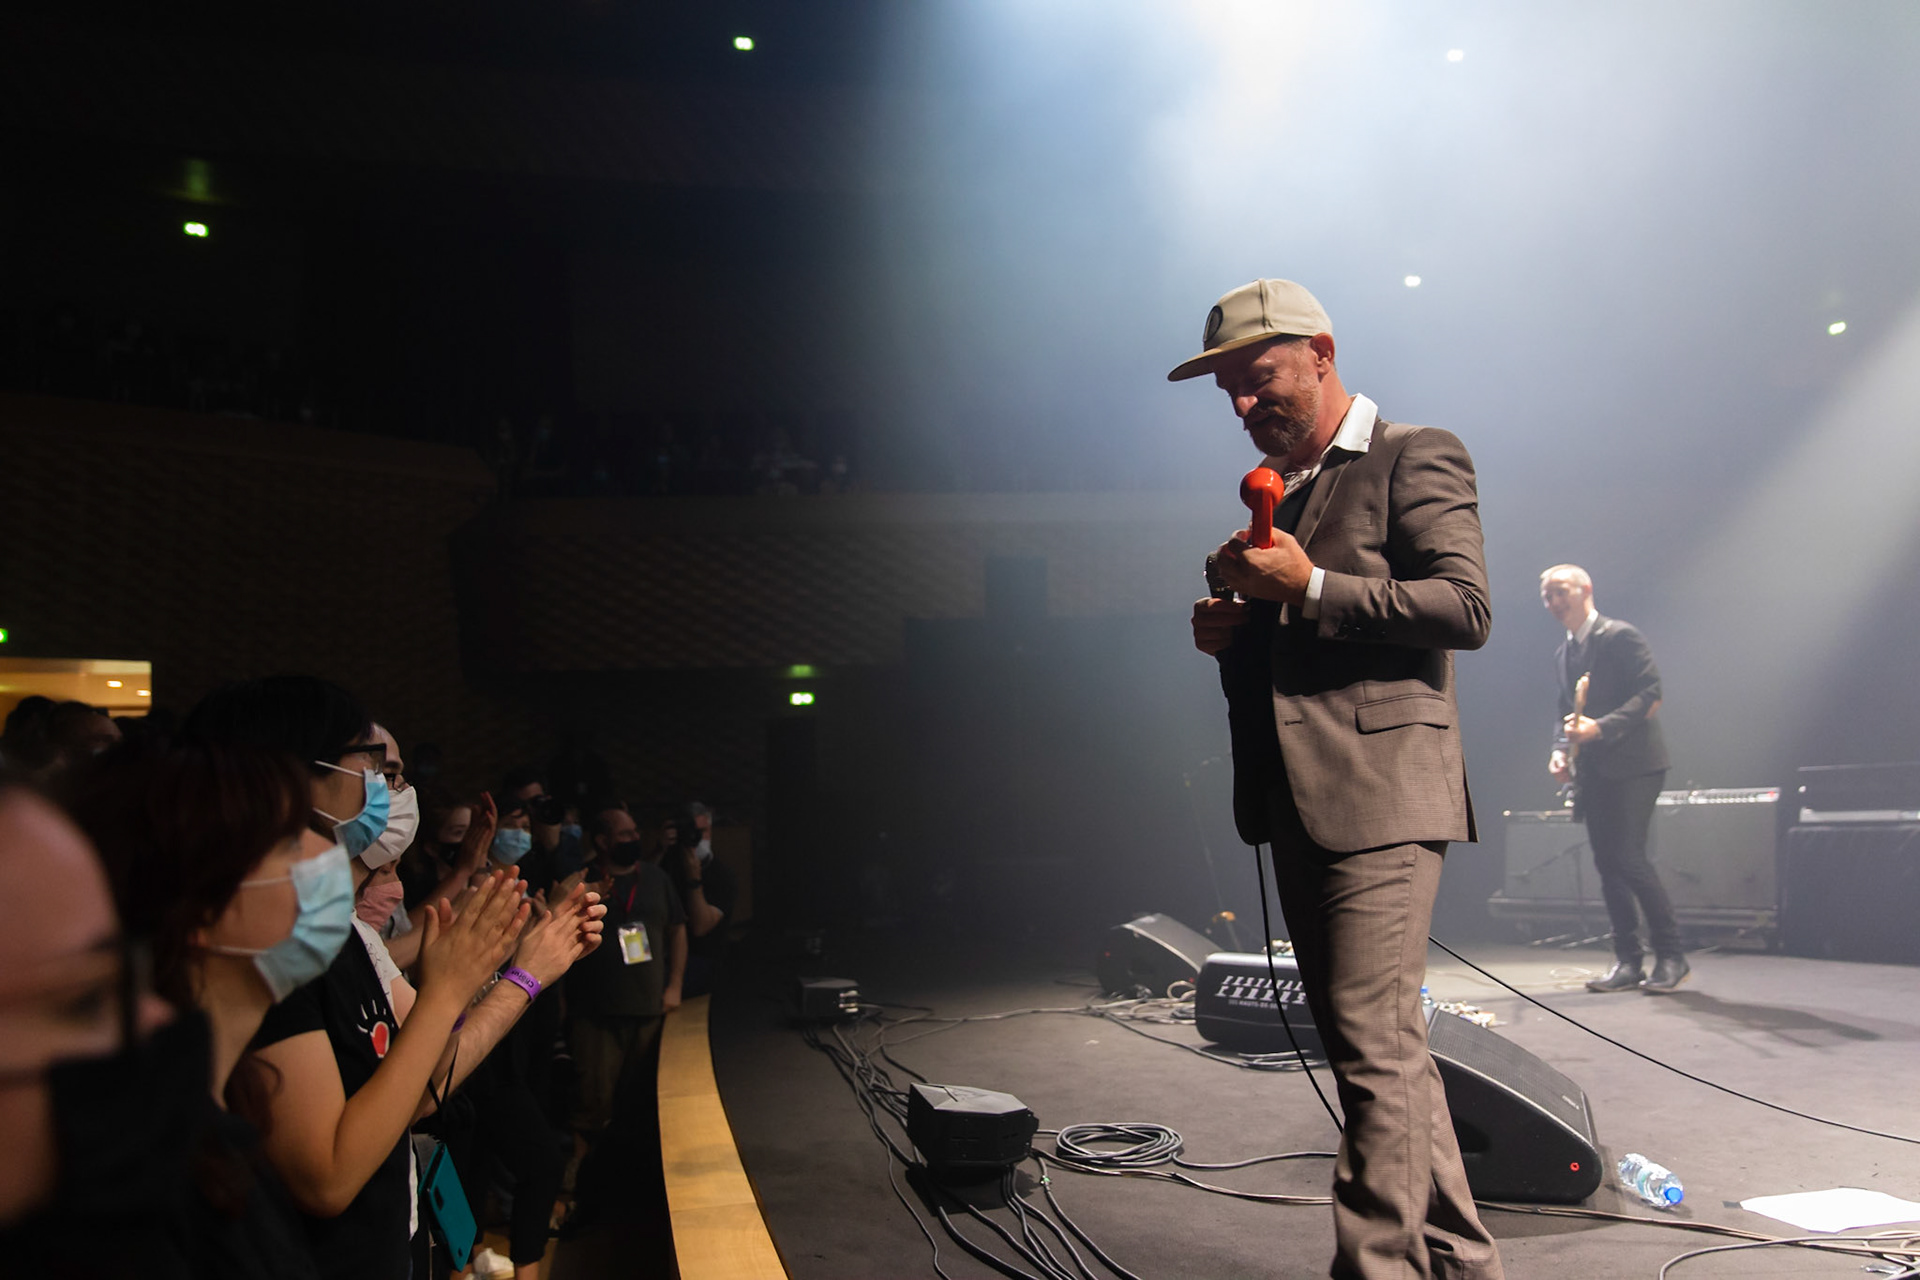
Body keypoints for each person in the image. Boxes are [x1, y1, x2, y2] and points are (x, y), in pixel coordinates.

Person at [1182, 279, 1502, 1280]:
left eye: (1257, 376)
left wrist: (1308, 586)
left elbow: (1465, 607)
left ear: (1321, 351)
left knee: (1372, 1050)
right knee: (1384, 1047)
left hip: (1382, 795)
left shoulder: (1416, 452)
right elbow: (1293, 657)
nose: (1241, 403)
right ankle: (1460, 1260)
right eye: (1228, 389)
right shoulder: (1290, 487)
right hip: (1304, 796)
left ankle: (1377, 1268)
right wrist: (1231, 634)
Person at [186, 676, 603, 1280]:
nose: (389, 790)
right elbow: (327, 1175)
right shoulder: (263, 943)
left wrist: (528, 970)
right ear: (292, 779)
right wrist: (452, 989)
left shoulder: (339, 931)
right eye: (375, 768)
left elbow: (425, 1080)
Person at [64, 740, 331, 1280]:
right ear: (200, 912)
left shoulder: (226, 1105)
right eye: (288, 845)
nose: (324, 857)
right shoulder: (146, 1183)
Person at [1539, 565, 1688, 993]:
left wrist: (1599, 728)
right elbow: (1562, 711)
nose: (1553, 603)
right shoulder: (1563, 653)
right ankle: (1629, 961)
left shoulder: (1620, 636)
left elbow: (1650, 695)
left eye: (1560, 592)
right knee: (1608, 865)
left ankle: (1672, 955)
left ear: (1585, 589)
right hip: (1596, 771)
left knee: (1629, 858)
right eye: (1546, 597)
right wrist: (1559, 750)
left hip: (1636, 765)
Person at [564, 804, 685, 1212]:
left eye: (635, 832)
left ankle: (637, 1192)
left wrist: (675, 986)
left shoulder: (654, 879)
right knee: (591, 1104)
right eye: (624, 834)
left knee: (643, 1105)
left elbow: (678, 930)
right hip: (595, 1014)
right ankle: (578, 1191)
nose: (634, 839)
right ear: (602, 840)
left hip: (648, 1009)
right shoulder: (582, 883)